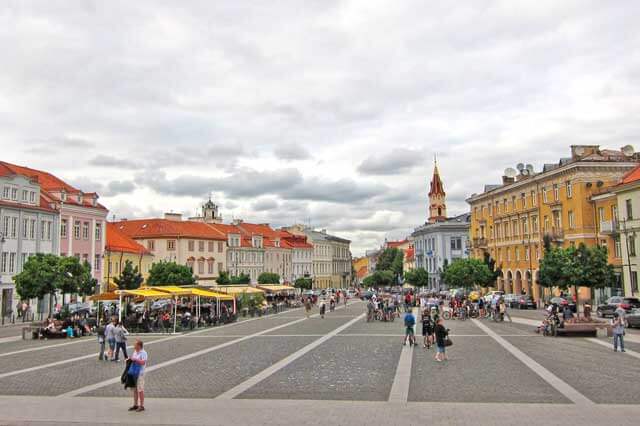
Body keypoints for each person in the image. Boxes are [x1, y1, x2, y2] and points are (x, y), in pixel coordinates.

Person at [128, 339, 148, 412]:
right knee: (135, 389)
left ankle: (142, 406)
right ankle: (135, 405)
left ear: (139, 346)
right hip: (134, 373)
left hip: (140, 373)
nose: (134, 346)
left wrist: (135, 360)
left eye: (135, 345)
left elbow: (143, 362)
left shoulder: (143, 353)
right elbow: (133, 359)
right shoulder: (135, 352)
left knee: (140, 390)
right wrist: (130, 359)